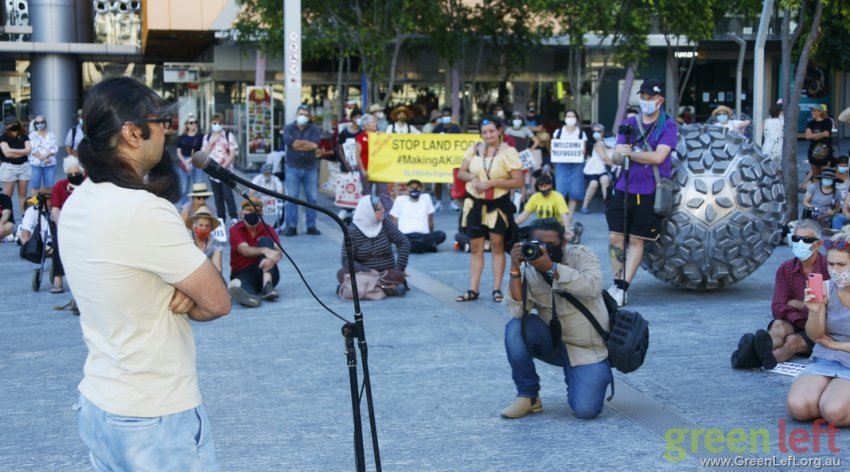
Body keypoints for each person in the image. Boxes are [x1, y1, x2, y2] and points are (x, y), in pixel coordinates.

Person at [59, 77, 231, 470]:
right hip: (155, 416)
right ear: (132, 133)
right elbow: (218, 301)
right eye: (161, 120)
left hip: (102, 402)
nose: (168, 130)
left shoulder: (79, 201)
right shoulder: (144, 211)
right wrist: (188, 287)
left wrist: (181, 286)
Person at [501, 218, 612, 419]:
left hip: (587, 349)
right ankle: (528, 396)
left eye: (552, 245)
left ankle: (584, 375)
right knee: (515, 328)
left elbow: (593, 286)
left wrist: (552, 268)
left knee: (585, 411)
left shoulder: (581, 255)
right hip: (554, 344)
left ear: (563, 242)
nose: (545, 250)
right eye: (539, 245)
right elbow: (517, 311)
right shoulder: (530, 271)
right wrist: (515, 268)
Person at [606, 78, 678, 307]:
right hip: (623, 186)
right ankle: (617, 282)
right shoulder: (628, 123)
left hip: (650, 190)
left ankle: (622, 288)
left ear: (660, 100)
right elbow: (616, 156)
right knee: (615, 237)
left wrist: (629, 154)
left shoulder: (668, 125)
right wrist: (621, 154)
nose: (646, 101)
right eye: (643, 97)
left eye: (651, 98)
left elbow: (659, 156)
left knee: (637, 240)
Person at [731, 220, 825, 370]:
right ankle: (759, 350)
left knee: (792, 341)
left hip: (819, 327)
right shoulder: (785, 268)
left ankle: (753, 358)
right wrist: (804, 309)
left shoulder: (828, 268)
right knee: (777, 326)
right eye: (796, 239)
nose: (800, 243)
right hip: (792, 321)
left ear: (818, 244)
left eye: (806, 240)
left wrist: (796, 304)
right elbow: (777, 306)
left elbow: (828, 308)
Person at [455, 117, 524, 303]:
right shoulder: (475, 148)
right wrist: (473, 177)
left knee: (497, 245)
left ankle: (496, 289)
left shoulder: (508, 152)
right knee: (476, 247)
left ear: (499, 131)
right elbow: (460, 172)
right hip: (476, 203)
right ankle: (473, 289)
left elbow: (519, 181)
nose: (488, 135)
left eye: (492, 131)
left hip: (498, 203)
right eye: (484, 132)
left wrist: (492, 182)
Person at [787, 232, 850, 427]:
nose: (834, 270)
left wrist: (836, 344)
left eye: (841, 265)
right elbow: (815, 336)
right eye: (830, 264)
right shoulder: (825, 288)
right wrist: (815, 311)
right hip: (826, 356)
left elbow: (827, 340)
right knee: (799, 407)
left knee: (834, 412)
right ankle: (831, 395)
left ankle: (834, 400)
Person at [339, 195, 410, 297]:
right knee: (342, 273)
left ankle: (364, 287)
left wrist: (399, 268)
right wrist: (369, 271)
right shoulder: (352, 231)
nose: (383, 210)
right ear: (369, 212)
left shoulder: (385, 222)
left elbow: (404, 242)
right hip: (363, 273)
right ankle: (386, 288)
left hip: (385, 272)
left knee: (397, 276)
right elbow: (346, 260)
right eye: (379, 209)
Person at [228, 198, 283, 307]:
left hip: (268, 272)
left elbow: (278, 251)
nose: (252, 214)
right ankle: (249, 296)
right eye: (249, 211)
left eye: (255, 211)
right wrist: (265, 250)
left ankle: (267, 286)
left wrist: (271, 259)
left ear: (261, 213)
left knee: (266, 240)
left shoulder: (267, 228)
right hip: (244, 271)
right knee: (245, 284)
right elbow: (245, 250)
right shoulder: (235, 230)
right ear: (241, 213)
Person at [282, 105, 321, 237]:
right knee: (292, 197)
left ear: (309, 117)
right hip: (293, 167)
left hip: (310, 167)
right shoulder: (289, 128)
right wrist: (307, 144)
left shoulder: (314, 129)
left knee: (312, 198)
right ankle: (291, 226)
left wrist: (298, 143)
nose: (302, 117)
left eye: (305, 114)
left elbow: (315, 145)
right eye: (300, 114)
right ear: (296, 115)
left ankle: (311, 226)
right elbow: (290, 144)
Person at [50, 156, 86, 293]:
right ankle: (58, 278)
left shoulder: (88, 184)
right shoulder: (59, 186)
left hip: (84, 221)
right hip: (64, 222)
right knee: (58, 243)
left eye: (76, 174)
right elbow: (55, 209)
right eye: (70, 174)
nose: (73, 176)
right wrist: (61, 228)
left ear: (82, 173)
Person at [201, 113, 239, 224]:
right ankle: (221, 218)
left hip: (226, 171)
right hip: (212, 172)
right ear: (210, 124)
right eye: (214, 123)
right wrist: (212, 141)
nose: (217, 125)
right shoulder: (207, 137)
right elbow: (204, 154)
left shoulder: (228, 135)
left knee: (228, 194)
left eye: (219, 123)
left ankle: (234, 216)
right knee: (218, 196)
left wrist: (222, 167)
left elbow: (232, 154)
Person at [389, 179, 445, 253]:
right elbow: (394, 221)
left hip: (423, 235)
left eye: (417, 187)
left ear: (421, 189)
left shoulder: (426, 197)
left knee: (441, 235)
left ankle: (412, 246)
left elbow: (430, 222)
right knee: (396, 238)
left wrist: (430, 235)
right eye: (411, 188)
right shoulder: (400, 199)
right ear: (407, 189)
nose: (414, 189)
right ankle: (427, 245)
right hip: (405, 235)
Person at [552, 109, 587, 217]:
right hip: (562, 165)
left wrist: (582, 151)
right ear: (565, 118)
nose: (570, 118)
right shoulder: (558, 132)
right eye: (568, 116)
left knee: (574, 194)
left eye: (572, 116)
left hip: (576, 166)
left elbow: (584, 150)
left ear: (576, 119)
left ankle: (569, 220)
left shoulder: (581, 133)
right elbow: (554, 147)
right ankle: (562, 219)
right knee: (560, 193)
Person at [0, 115, 32, 214]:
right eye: (9, 124)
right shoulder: (3, 137)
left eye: (13, 124)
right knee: (7, 195)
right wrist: (22, 151)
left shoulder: (23, 136)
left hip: (23, 167)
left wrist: (13, 152)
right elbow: (7, 153)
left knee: (23, 194)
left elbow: (29, 150)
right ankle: (8, 218)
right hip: (9, 167)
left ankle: (24, 218)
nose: (11, 126)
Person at [432, 107, 463, 211]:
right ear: (441, 117)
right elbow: (430, 142)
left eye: (447, 115)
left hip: (452, 158)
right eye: (444, 115)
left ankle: (452, 202)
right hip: (439, 158)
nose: (446, 117)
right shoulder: (437, 129)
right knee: (438, 180)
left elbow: (461, 142)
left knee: (452, 180)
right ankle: (438, 202)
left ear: (451, 116)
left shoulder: (456, 129)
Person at [581, 123, 611, 214]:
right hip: (592, 169)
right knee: (593, 183)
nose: (597, 133)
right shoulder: (594, 143)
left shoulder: (608, 141)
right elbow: (604, 158)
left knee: (605, 180)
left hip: (603, 169)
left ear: (603, 132)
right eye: (594, 131)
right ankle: (584, 206)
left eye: (599, 131)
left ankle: (607, 206)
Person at [175, 114, 205, 206]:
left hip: (197, 161)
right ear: (187, 125)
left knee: (198, 185)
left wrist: (190, 160)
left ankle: (198, 205)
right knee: (184, 187)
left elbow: (203, 150)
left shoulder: (201, 137)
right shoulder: (182, 137)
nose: (194, 124)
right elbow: (178, 152)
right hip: (184, 160)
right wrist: (185, 162)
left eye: (195, 122)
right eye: (191, 123)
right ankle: (185, 206)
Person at [188, 205, 224, 274]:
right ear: (193, 227)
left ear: (211, 228)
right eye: (201, 225)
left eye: (207, 226)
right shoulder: (187, 241)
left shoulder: (216, 243)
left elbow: (218, 270)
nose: (204, 228)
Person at [28, 115, 58, 194]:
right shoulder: (32, 135)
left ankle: (47, 205)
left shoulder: (51, 134)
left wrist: (45, 157)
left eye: (42, 122)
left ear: (45, 123)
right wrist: (44, 159)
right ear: (35, 124)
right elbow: (33, 150)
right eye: (37, 122)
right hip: (36, 165)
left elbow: (54, 148)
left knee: (48, 187)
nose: (40, 124)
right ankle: (35, 205)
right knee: (35, 187)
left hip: (50, 165)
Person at [804, 104, 834, 185]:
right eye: (811, 111)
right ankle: (816, 192)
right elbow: (807, 136)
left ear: (820, 112)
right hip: (812, 152)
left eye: (814, 111)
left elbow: (826, 134)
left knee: (825, 174)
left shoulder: (827, 121)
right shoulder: (811, 123)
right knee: (815, 175)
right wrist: (821, 134)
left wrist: (813, 136)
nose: (812, 113)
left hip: (825, 152)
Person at [762, 103, 784, 173]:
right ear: (779, 113)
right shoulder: (782, 121)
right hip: (779, 148)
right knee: (779, 170)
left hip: (767, 147)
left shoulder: (766, 122)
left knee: (768, 169)